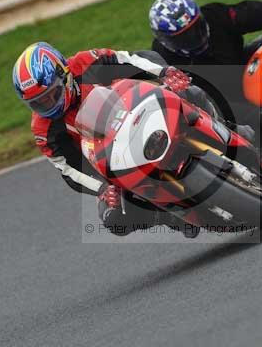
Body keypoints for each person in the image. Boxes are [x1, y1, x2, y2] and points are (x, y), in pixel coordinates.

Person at [12, 42, 233, 238]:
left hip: (142, 112)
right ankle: (170, 216)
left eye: (53, 94)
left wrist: (164, 72)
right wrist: (102, 189)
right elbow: (70, 170)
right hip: (113, 156)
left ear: (65, 76)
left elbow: (129, 59)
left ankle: (227, 130)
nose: (50, 104)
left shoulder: (86, 62)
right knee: (113, 219)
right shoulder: (44, 129)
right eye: (40, 103)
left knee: (190, 92)